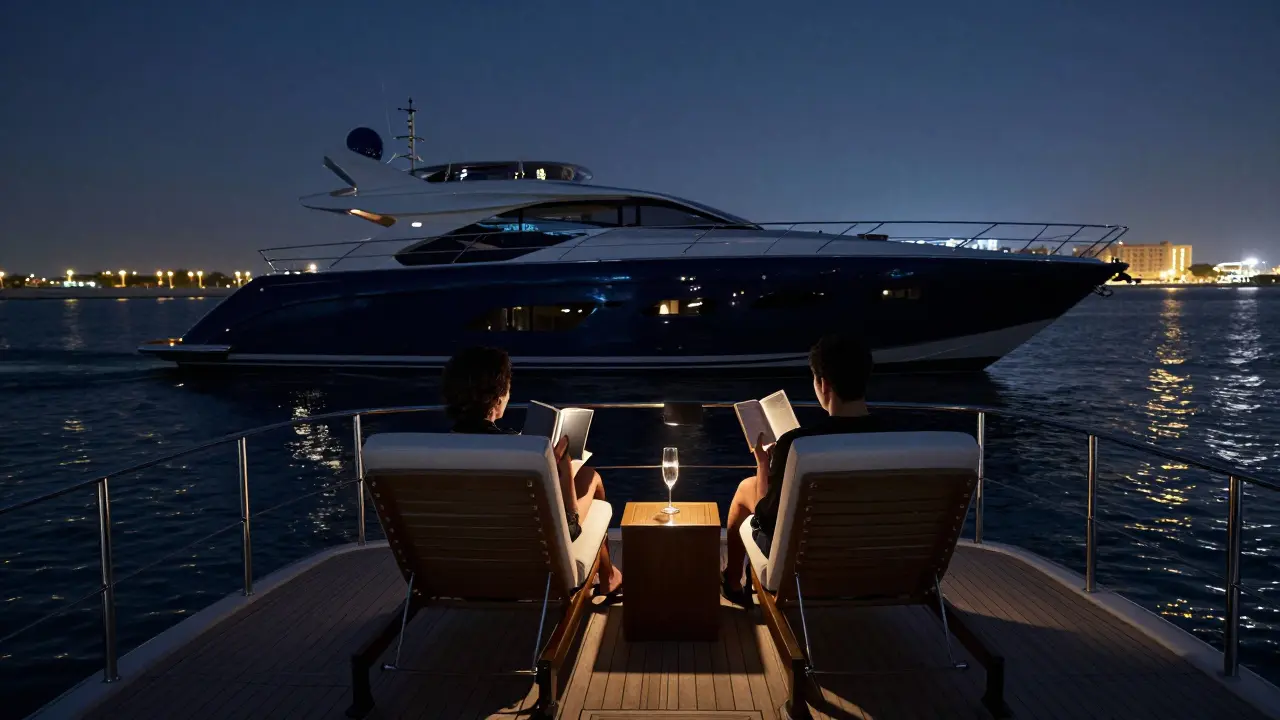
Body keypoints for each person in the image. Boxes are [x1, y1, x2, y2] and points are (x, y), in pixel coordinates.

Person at [441, 346, 623, 595]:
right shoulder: (518, 452)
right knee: (591, 477)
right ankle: (609, 576)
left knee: (589, 478)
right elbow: (570, 529)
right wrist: (565, 466)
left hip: (459, 564)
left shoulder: (432, 453)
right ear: (497, 397)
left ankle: (610, 574)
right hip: (524, 560)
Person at [722, 334, 878, 606]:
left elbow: (765, 518)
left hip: (805, 561)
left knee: (746, 490)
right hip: (878, 558)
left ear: (823, 384)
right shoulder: (899, 439)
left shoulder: (799, 443)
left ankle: (732, 581)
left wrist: (762, 463)